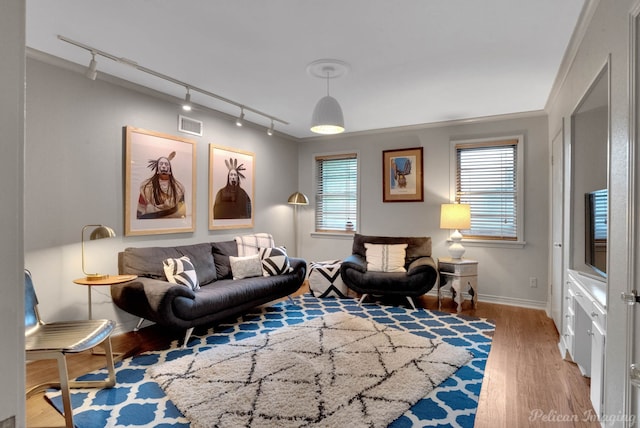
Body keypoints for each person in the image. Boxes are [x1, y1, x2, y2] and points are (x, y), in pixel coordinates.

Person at [137, 151, 186, 219]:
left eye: (166, 164)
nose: (163, 166)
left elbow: (181, 212)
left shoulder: (179, 188)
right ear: (157, 167)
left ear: (169, 168)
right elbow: (140, 211)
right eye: (161, 164)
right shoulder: (146, 187)